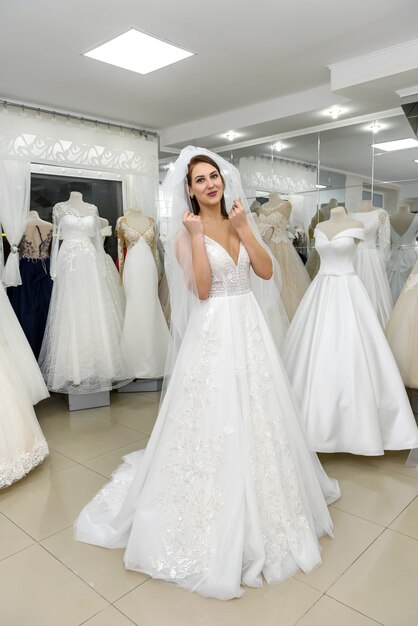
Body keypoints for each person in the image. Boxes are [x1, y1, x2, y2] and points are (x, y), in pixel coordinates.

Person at [74, 147, 340, 600]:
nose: (210, 184)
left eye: (213, 176)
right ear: (190, 191)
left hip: (249, 328)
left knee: (259, 411)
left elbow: (265, 269)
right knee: (213, 414)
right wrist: (197, 237)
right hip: (213, 330)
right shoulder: (185, 231)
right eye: (200, 180)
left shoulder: (239, 219)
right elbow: (200, 288)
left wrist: (241, 228)